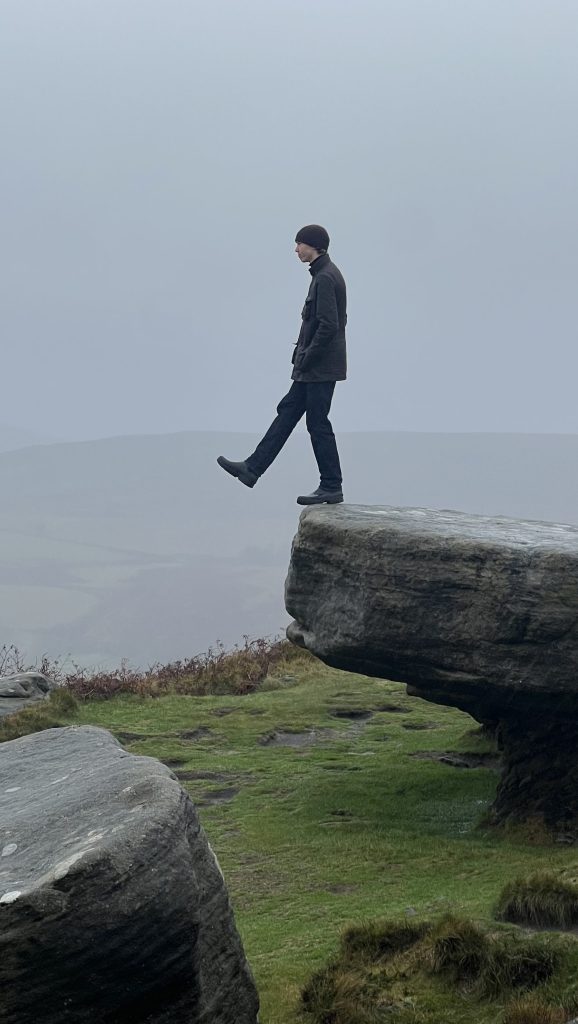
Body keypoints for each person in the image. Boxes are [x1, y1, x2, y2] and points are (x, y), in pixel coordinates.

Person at [217, 224, 347, 505]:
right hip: (312, 367)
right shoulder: (321, 275)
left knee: (318, 423)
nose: (296, 249)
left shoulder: (326, 277)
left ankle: (331, 485)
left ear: (314, 246)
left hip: (319, 368)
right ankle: (252, 468)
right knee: (288, 412)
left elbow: (329, 325)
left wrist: (307, 357)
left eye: (300, 244)